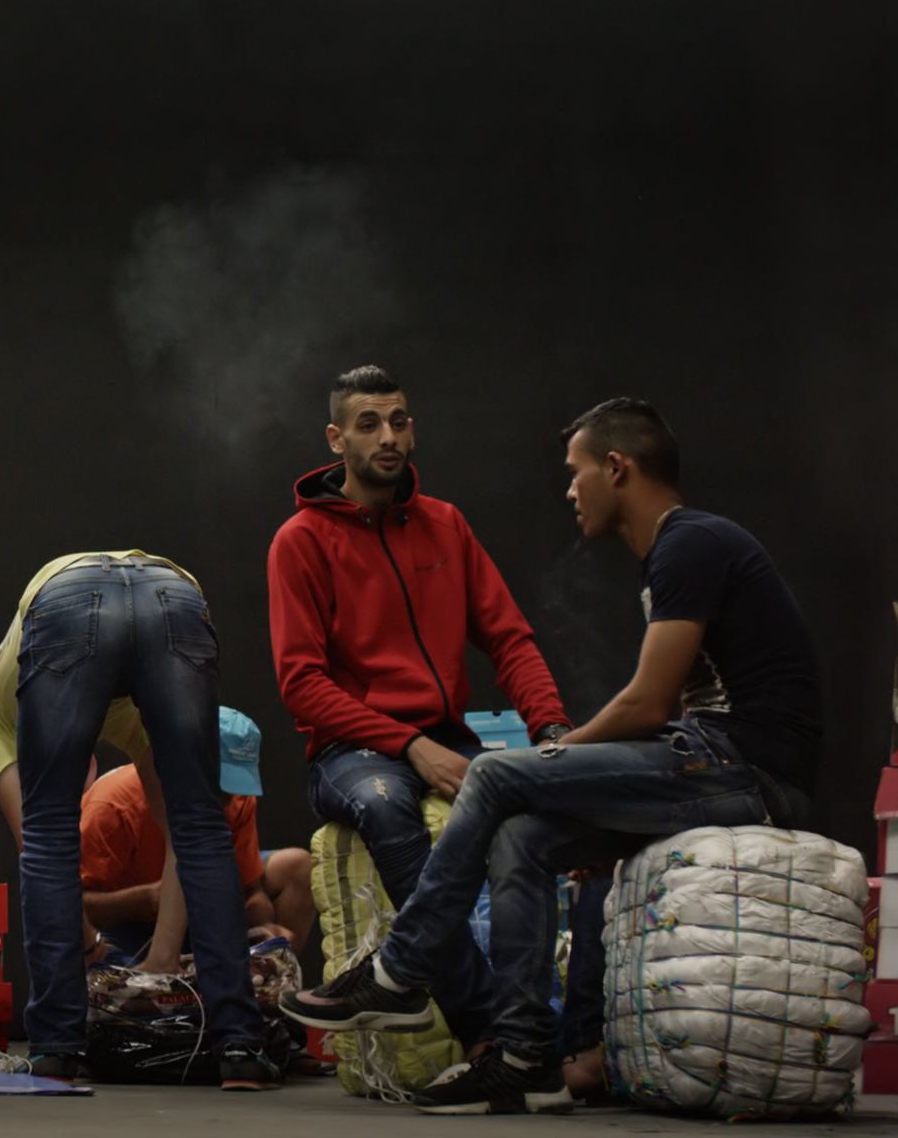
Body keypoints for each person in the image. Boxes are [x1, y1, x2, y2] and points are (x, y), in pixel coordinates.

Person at [281, 398, 820, 1116]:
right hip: (710, 758)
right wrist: (580, 788)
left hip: (745, 771)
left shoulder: (688, 543)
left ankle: (400, 972)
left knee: (498, 774)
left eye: (576, 472)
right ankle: (525, 1057)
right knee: (523, 838)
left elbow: (647, 705)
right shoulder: (677, 549)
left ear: (616, 468)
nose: (569, 490)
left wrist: (557, 752)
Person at [267, 365, 573, 1054]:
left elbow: (510, 639)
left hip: (445, 737)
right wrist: (409, 746)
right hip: (350, 754)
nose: (388, 436)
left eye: (399, 421)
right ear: (337, 438)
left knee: (526, 820)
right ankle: (488, 1035)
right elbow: (302, 685)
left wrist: (553, 730)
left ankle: (540, 1025)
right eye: (369, 423)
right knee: (387, 808)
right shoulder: (301, 540)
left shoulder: (446, 525)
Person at [0, 550, 282, 1088]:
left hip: (65, 600)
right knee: (201, 829)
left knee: (49, 837)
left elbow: (40, 848)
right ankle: (240, 1047)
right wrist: (113, 949)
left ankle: (55, 1050)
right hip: (172, 593)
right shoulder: (124, 719)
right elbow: (186, 841)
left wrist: (155, 958)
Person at [82, 756, 317, 962]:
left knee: (297, 866)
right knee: (117, 984)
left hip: (201, 916)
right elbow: (73, 906)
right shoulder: (112, 806)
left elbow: (249, 887)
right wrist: (151, 897)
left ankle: (268, 981)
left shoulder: (236, 797)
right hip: (123, 925)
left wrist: (262, 929)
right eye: (221, 788)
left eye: (235, 785)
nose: (227, 801)